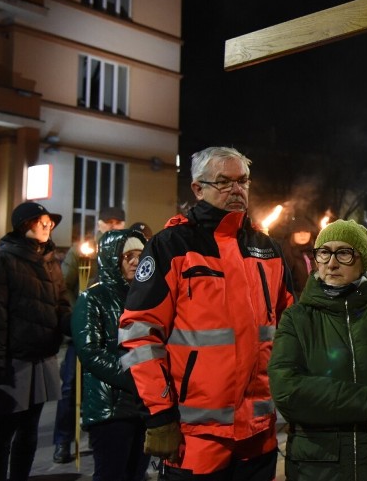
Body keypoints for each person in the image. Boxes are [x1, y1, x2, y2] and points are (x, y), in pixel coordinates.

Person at [119, 146, 295, 481]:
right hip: (195, 435)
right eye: (224, 182)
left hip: (260, 432)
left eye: (242, 181)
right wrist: (159, 414)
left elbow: (289, 328)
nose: (237, 190)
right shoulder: (172, 245)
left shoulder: (267, 247)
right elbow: (139, 334)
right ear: (198, 189)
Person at [269, 219, 367, 480]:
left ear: (363, 260)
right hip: (317, 467)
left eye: (344, 253)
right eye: (324, 252)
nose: (331, 262)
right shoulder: (297, 318)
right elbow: (287, 390)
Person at [0, 201, 71, 481]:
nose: (48, 225)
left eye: (50, 222)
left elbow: (61, 306)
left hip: (42, 359)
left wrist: (78, 326)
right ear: (23, 226)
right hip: (12, 360)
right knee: (2, 431)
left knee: (30, 431)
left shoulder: (50, 261)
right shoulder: (3, 260)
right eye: (40, 221)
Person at [72, 228, 150, 481]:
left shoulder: (147, 296)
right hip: (111, 407)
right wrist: (136, 377)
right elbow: (90, 352)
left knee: (137, 473)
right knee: (111, 474)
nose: (135, 262)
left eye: (140, 255)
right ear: (111, 258)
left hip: (145, 404)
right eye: (128, 256)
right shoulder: (93, 297)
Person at [54, 205, 127, 463]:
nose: (113, 226)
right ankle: (63, 440)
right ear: (99, 225)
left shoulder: (124, 252)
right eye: (109, 222)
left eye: (119, 222)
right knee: (70, 388)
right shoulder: (83, 252)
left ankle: (96, 433)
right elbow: (64, 288)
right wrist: (80, 320)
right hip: (83, 332)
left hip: (112, 333)